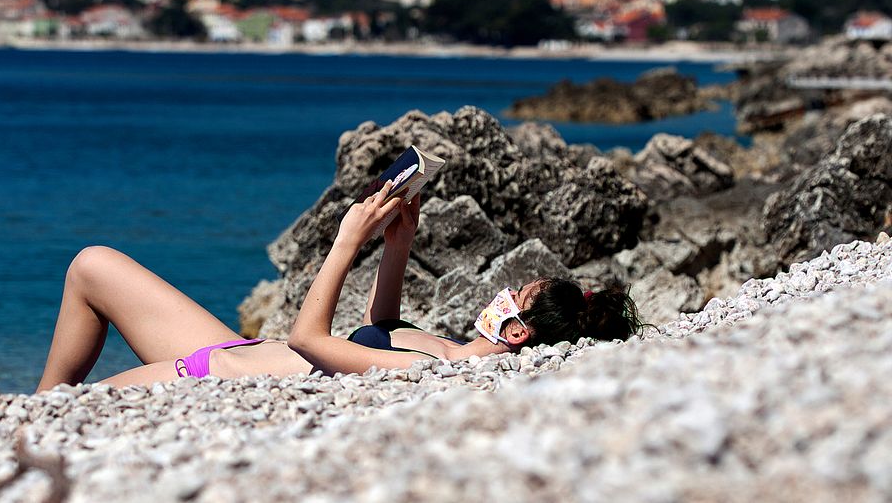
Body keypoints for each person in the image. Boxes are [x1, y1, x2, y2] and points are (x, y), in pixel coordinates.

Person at [36, 180, 645, 392]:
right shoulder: (447, 353)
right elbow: (380, 328)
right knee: (93, 264)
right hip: (236, 351)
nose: (499, 294)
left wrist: (347, 240)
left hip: (204, 376)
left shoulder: (437, 372)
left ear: (515, 331)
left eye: (513, 296)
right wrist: (398, 244)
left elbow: (308, 338)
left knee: (56, 415)